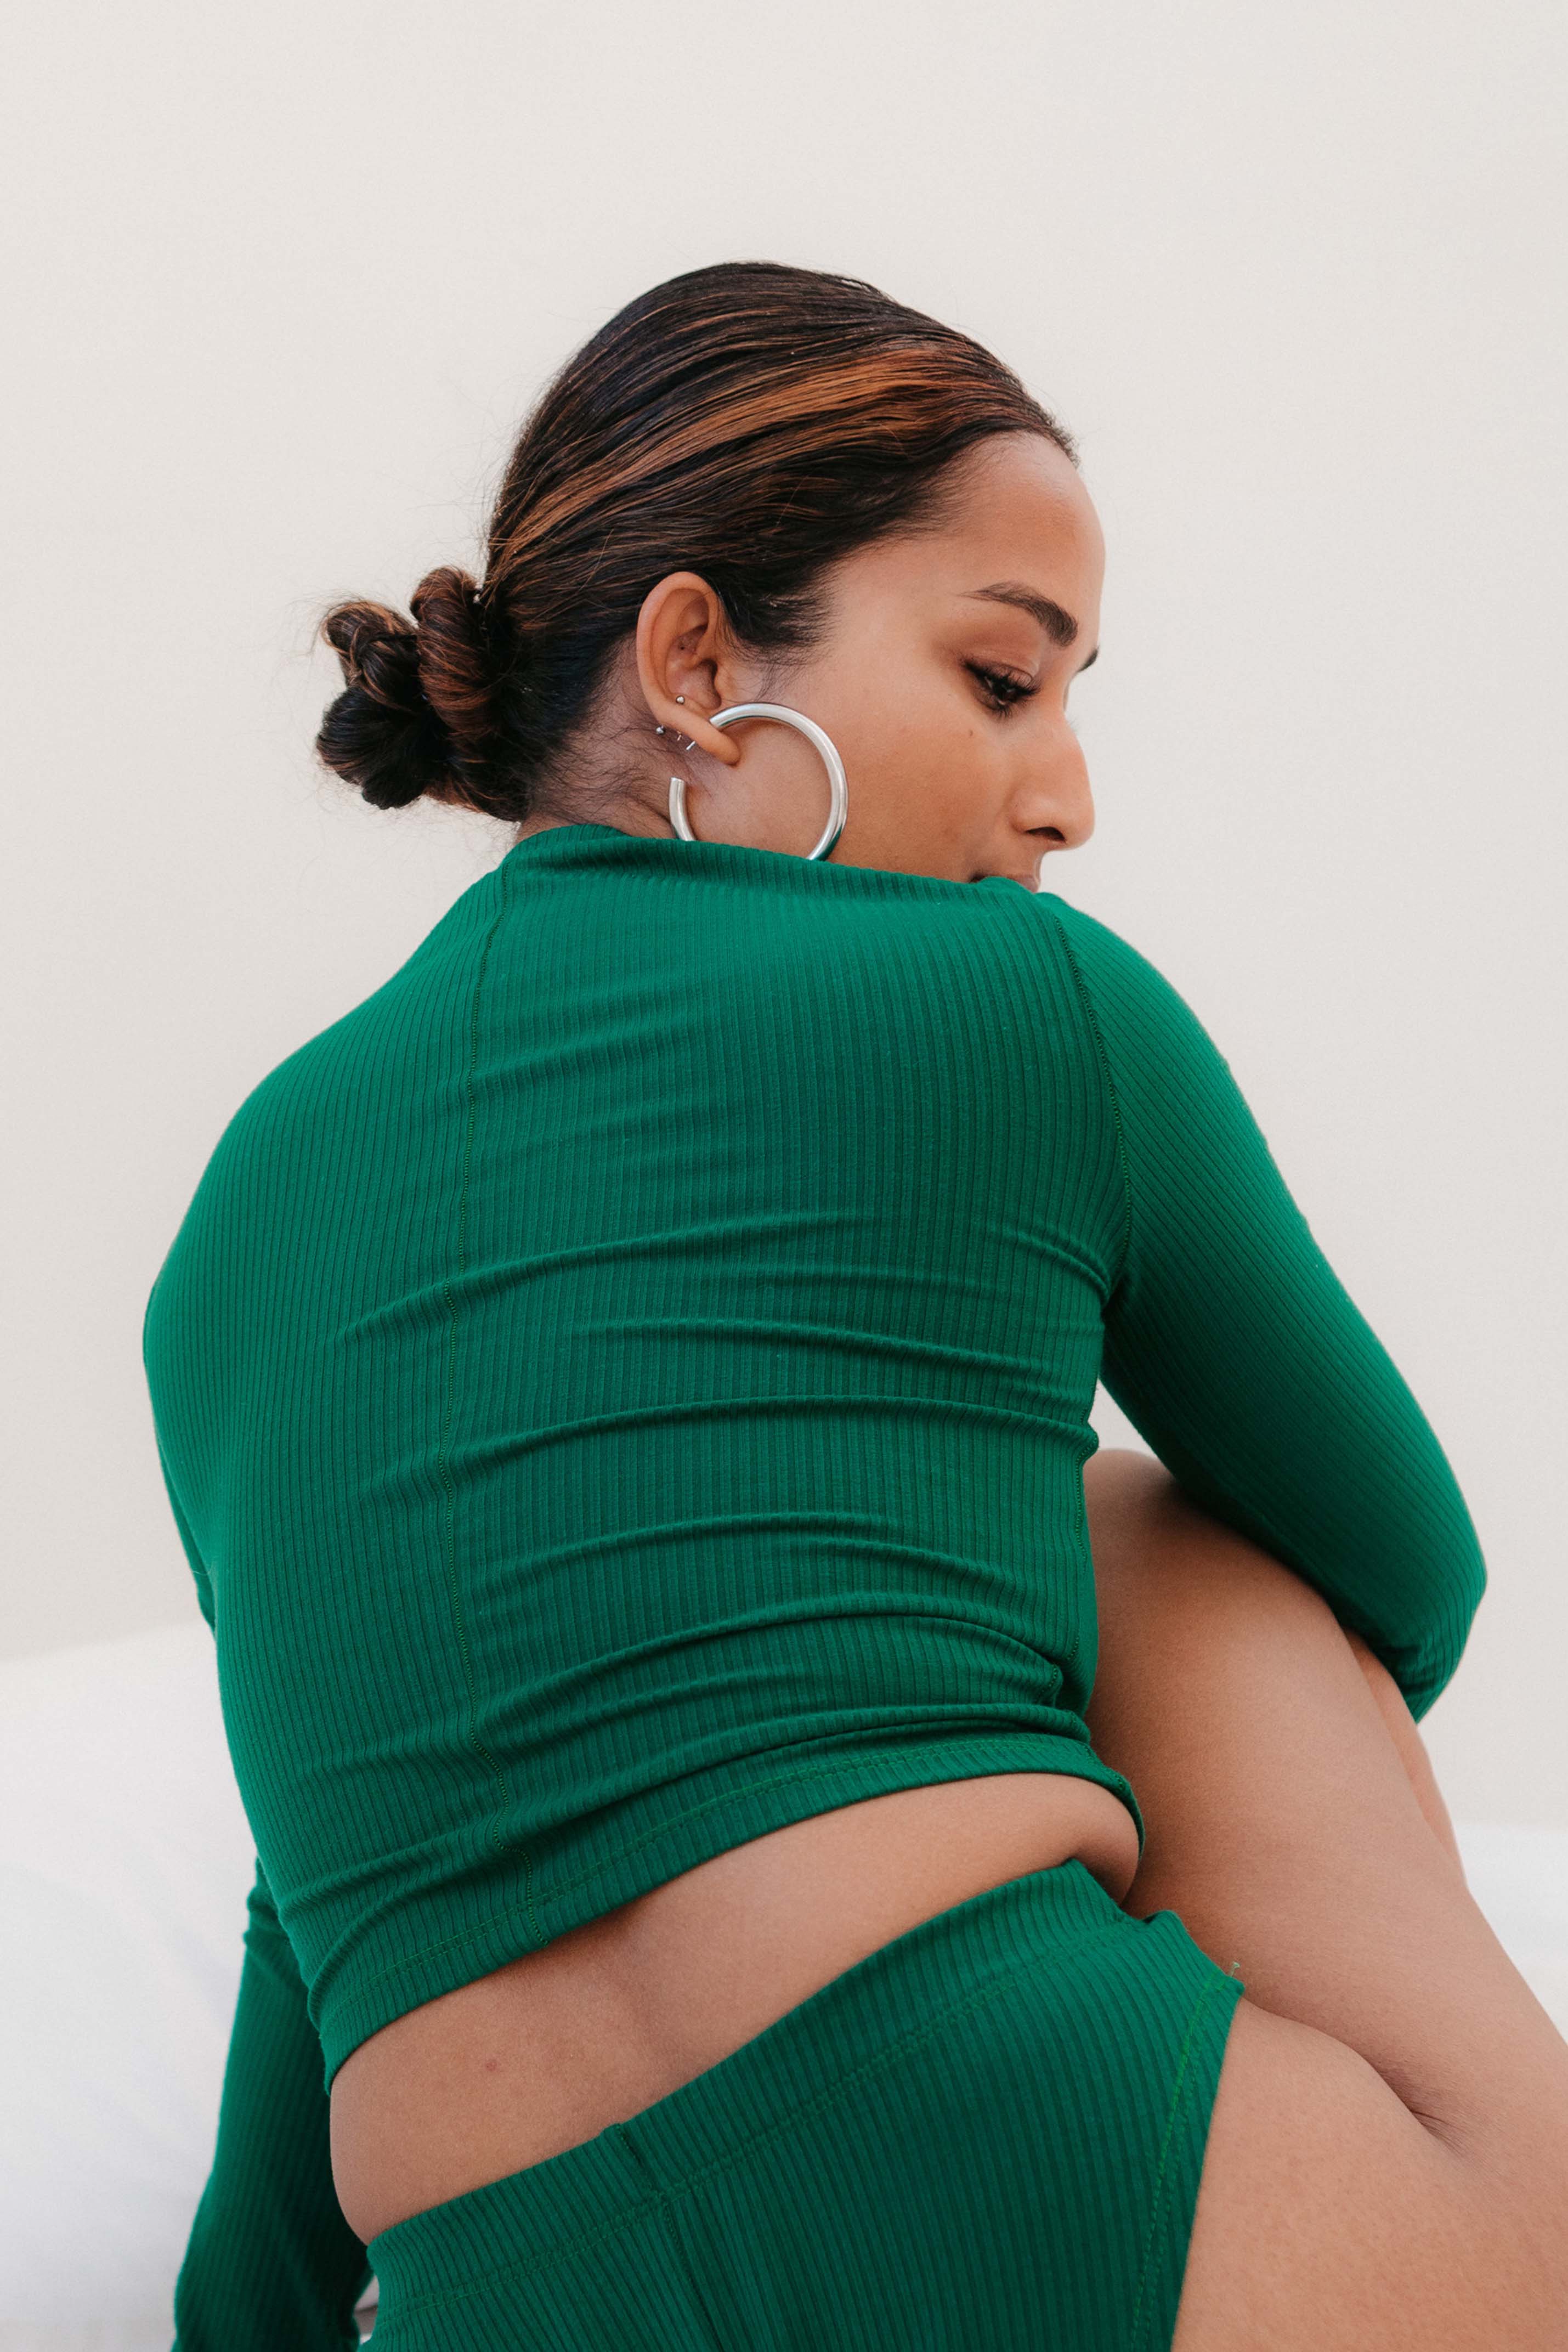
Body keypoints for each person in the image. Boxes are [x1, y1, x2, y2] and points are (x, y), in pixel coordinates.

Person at [143, 260, 1568, 2352]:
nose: (1066, 796)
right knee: (1129, 1512)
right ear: (697, 662)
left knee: (402, 1774)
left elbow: (314, 1919)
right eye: (1004, 679)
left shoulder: (225, 1235)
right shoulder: (1031, 1001)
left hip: (508, 2293)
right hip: (1066, 2176)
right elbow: (1403, 1576)